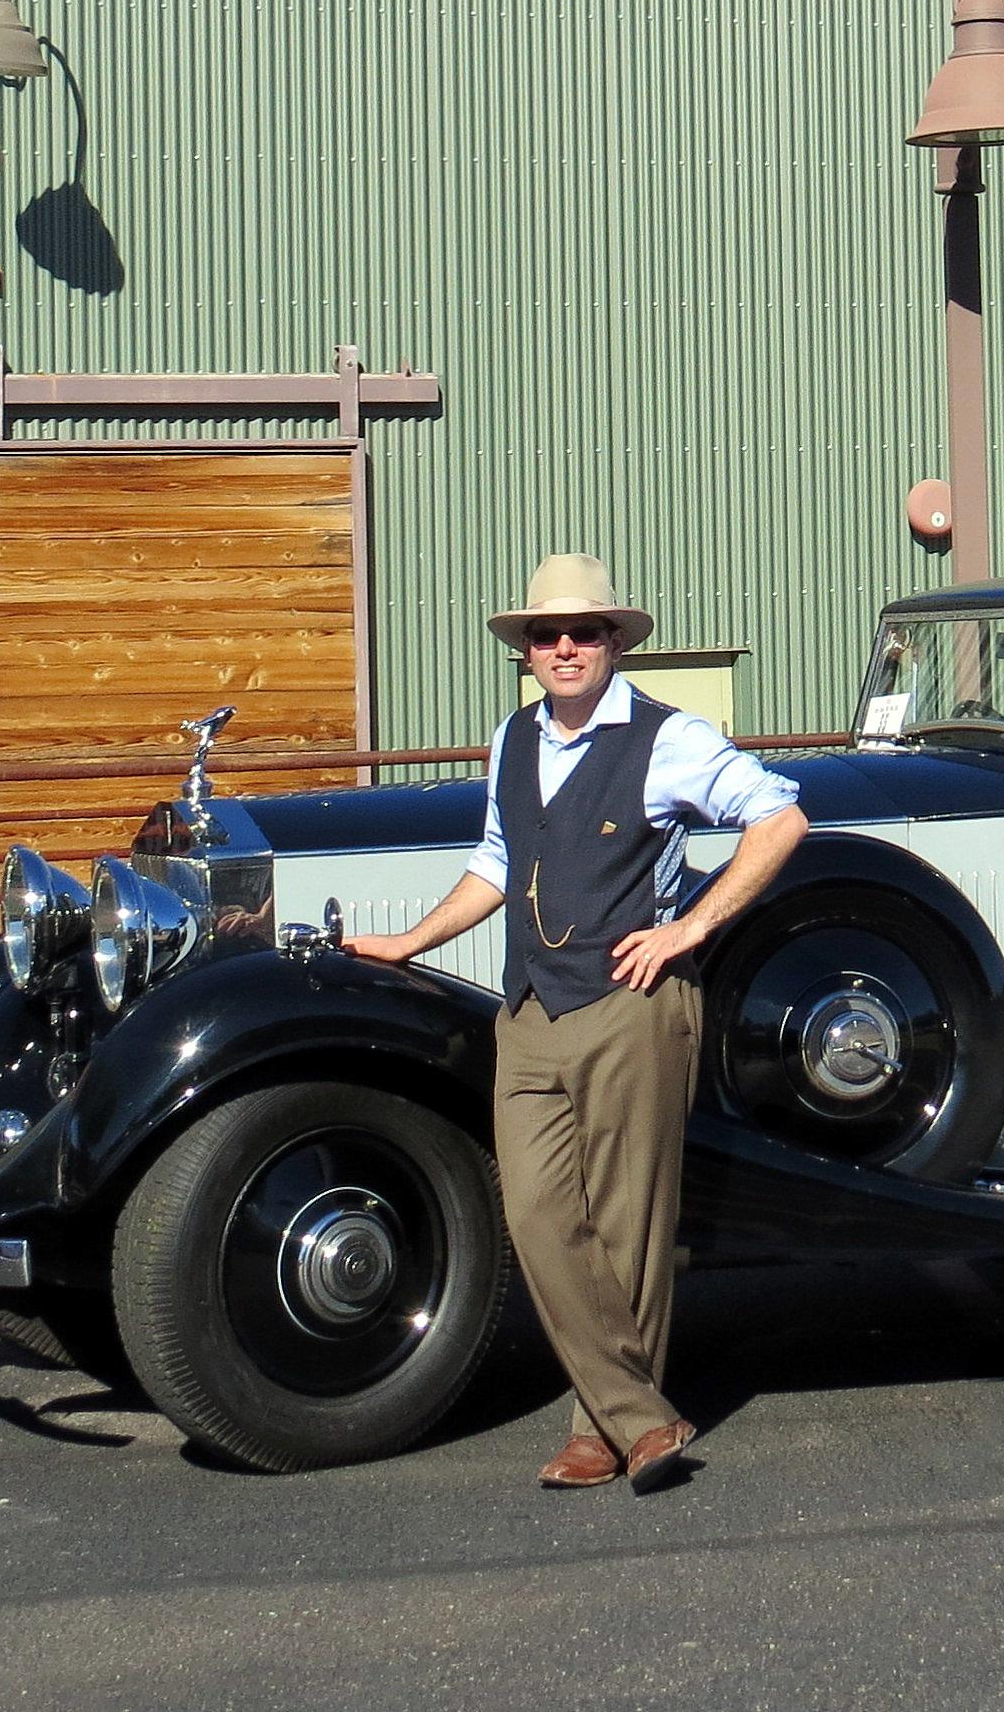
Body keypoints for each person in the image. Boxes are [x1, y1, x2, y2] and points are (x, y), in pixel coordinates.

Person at [348, 554, 806, 1493]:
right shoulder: (511, 737)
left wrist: (689, 927)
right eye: (546, 634)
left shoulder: (669, 737)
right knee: (538, 1214)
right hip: (530, 1009)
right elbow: (496, 859)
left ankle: (600, 1429)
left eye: (584, 632)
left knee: (628, 1224)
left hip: (632, 1004)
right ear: (526, 649)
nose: (564, 647)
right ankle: (643, 1415)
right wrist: (410, 940)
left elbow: (780, 818)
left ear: (613, 642)